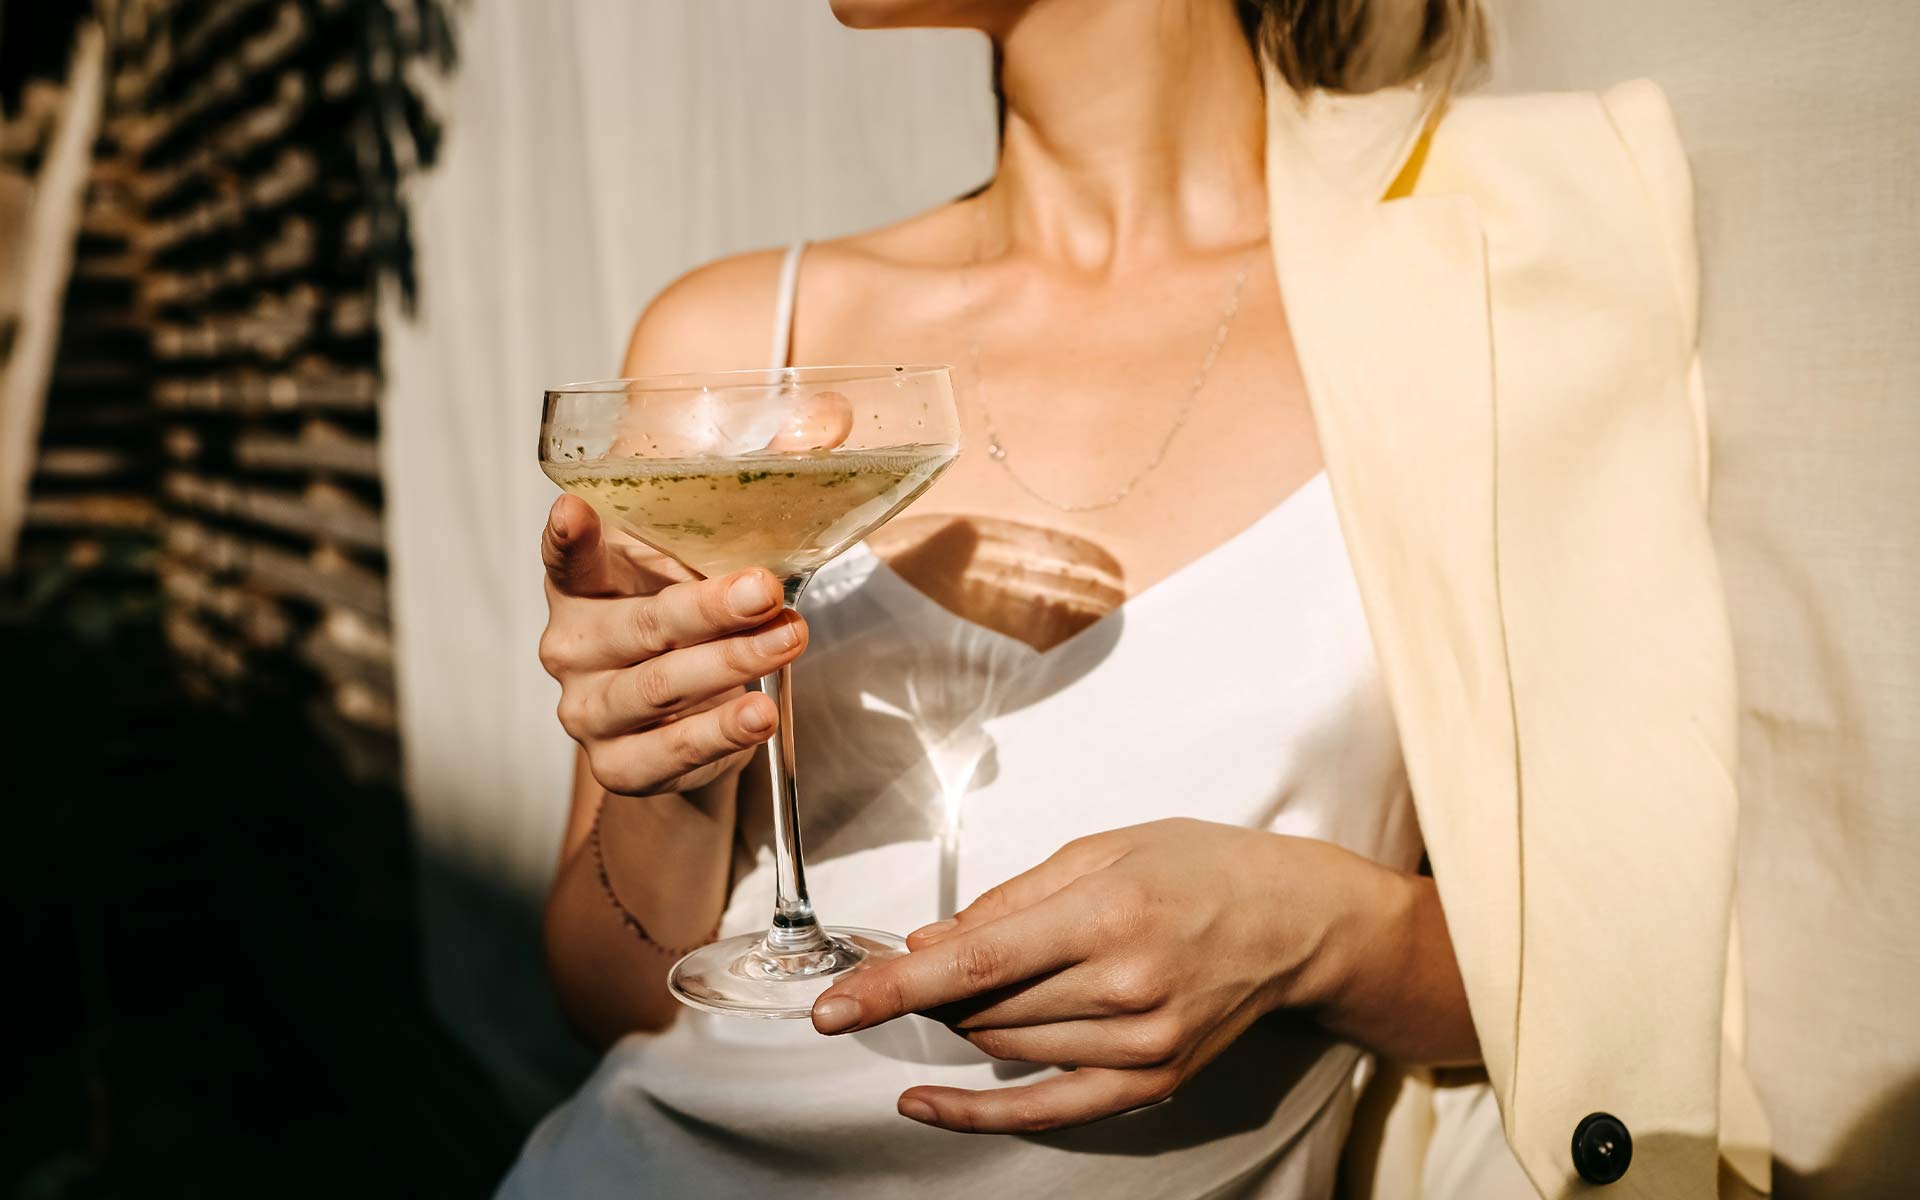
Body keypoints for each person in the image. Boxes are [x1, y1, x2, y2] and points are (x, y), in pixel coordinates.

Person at [504, 1, 1770, 1196]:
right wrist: (671, 780)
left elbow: (1641, 966)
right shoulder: (736, 346)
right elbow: (619, 994)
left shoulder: (1494, 281)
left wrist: (1334, 936)